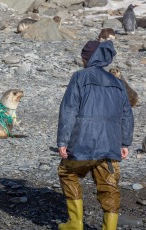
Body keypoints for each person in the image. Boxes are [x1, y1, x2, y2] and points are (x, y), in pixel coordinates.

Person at [56, 40, 134, 230]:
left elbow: (69, 110)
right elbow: (127, 114)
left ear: (87, 58)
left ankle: (75, 224)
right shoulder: (117, 82)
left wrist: (63, 141)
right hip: (110, 145)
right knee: (109, 185)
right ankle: (110, 227)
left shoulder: (79, 77)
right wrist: (125, 143)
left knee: (67, 173)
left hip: (82, 143)